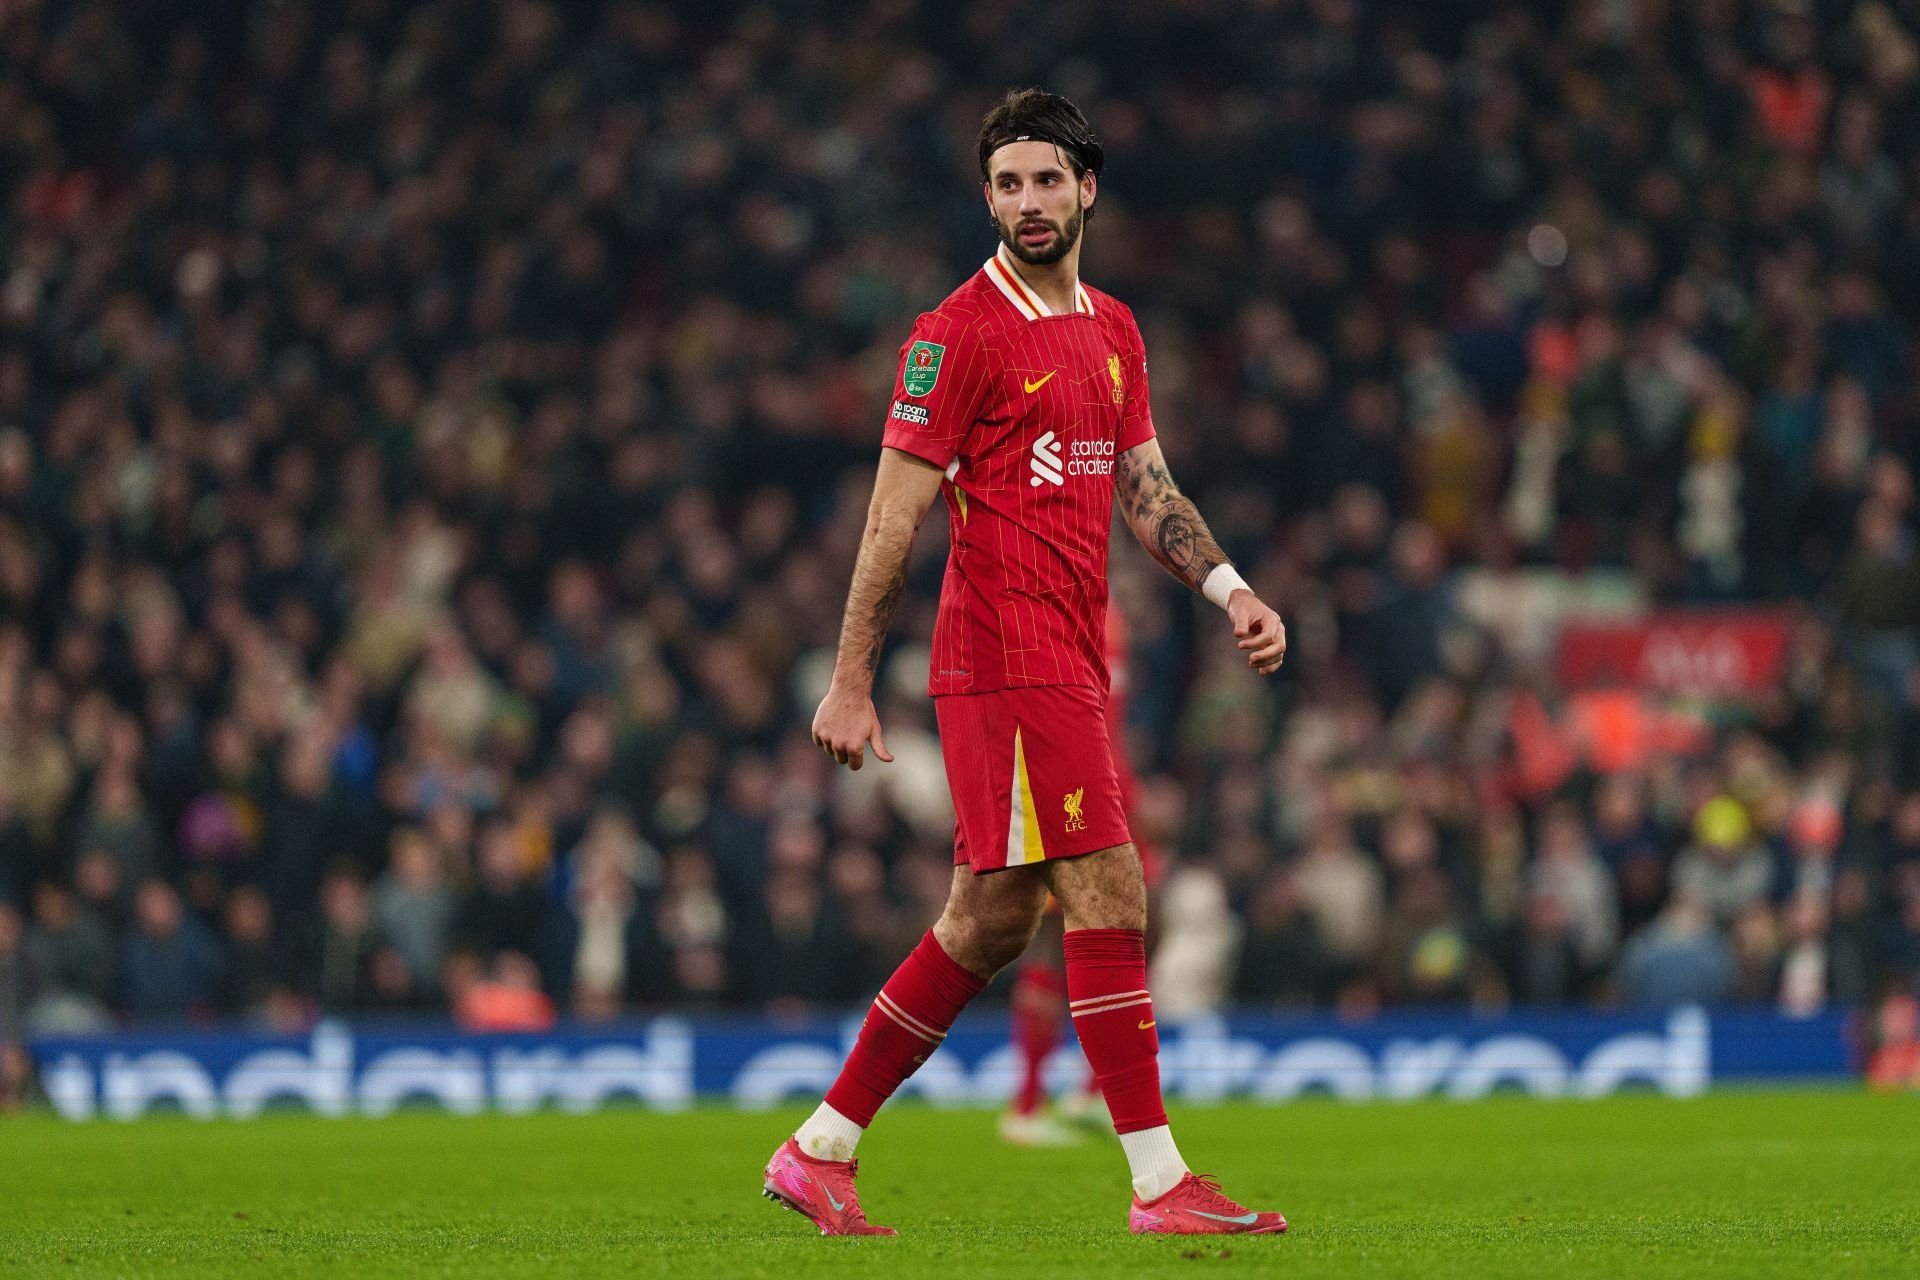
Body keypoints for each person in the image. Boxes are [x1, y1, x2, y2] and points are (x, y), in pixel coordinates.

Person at [762, 89, 1289, 1239]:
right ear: (986, 198)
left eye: (1047, 179)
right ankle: (1160, 1181)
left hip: (1070, 655)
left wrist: (1230, 586)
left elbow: (1146, 490)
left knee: (992, 917)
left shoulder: (1113, 329)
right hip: (1004, 657)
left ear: (1087, 186)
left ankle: (821, 1146)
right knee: (1112, 884)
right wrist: (851, 678)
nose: (1028, 202)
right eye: (1007, 184)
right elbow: (891, 520)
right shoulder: (956, 332)